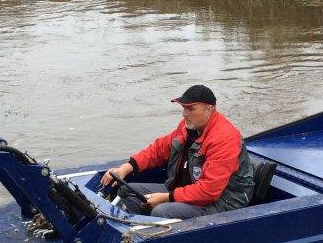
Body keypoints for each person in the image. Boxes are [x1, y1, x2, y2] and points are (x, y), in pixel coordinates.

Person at [100, 85, 255, 219]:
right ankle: (132, 231)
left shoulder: (224, 138)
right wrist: (126, 167)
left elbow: (209, 192)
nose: (184, 114)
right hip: (186, 189)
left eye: (191, 109)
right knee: (127, 190)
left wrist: (167, 198)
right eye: (183, 108)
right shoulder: (187, 126)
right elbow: (159, 149)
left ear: (210, 109)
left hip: (224, 202)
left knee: (162, 211)